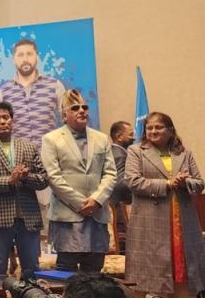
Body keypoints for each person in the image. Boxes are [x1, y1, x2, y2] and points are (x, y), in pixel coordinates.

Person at [124, 112, 205, 298]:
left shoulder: (184, 153)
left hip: (182, 224)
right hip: (149, 224)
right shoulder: (136, 151)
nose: (153, 131)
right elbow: (133, 181)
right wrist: (168, 184)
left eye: (158, 127)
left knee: (183, 273)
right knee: (144, 278)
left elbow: (199, 183)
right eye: (149, 128)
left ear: (170, 130)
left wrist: (184, 183)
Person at [40, 89, 116, 273]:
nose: (81, 110)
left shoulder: (101, 138)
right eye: (75, 108)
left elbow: (111, 174)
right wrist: (81, 203)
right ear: (64, 115)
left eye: (84, 107)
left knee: (95, 273)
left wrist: (96, 200)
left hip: (97, 215)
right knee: (67, 273)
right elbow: (53, 177)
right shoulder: (51, 139)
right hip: (67, 217)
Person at [0, 102, 47, 279]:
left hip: (28, 217)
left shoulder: (28, 146)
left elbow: (43, 179)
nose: (3, 121)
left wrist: (26, 177)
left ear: (12, 121)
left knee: (32, 269)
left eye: (6, 117)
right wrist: (9, 180)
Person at [0, 38, 65, 229]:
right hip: (19, 165)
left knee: (53, 219)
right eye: (20, 55)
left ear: (36, 56)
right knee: (25, 221)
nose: (25, 59)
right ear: (13, 59)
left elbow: (66, 121)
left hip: (51, 162)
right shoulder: (5, 91)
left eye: (29, 54)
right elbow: (1, 131)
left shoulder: (54, 85)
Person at [109, 120, 134, 254]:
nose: (134, 138)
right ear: (119, 137)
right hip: (119, 208)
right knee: (124, 247)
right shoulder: (120, 155)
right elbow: (120, 184)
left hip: (117, 206)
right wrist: (139, 186)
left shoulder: (114, 152)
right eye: (130, 135)